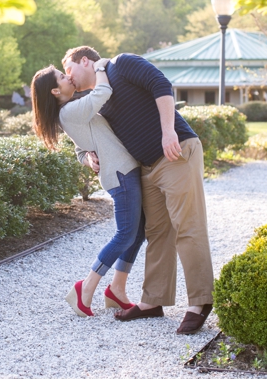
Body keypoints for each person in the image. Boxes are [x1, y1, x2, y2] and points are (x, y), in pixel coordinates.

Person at [63, 46, 213, 335]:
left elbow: (161, 84)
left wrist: (168, 130)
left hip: (176, 151)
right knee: (158, 232)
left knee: (187, 227)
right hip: (145, 166)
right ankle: (153, 301)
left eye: (68, 69)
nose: (68, 77)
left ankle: (200, 302)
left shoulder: (122, 64)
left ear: (85, 61)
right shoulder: (97, 97)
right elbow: (84, 139)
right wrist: (86, 157)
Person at [31, 59, 145, 317]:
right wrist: (101, 66)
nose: (68, 77)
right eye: (62, 77)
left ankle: (117, 290)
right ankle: (86, 287)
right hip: (120, 174)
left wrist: (85, 157)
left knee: (137, 233)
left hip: (124, 169)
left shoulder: (71, 109)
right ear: (54, 91)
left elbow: (80, 145)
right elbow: (103, 92)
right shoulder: (70, 111)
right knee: (126, 234)